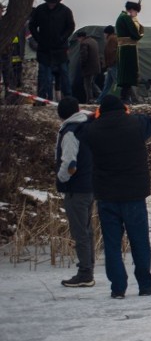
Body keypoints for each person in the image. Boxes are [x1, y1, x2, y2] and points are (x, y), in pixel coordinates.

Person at [78, 95, 151, 299]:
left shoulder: (94, 129)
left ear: (100, 111)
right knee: (140, 242)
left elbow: (81, 132)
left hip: (107, 196)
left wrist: (93, 118)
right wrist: (129, 113)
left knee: (112, 246)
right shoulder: (135, 124)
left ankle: (118, 288)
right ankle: (145, 284)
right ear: (124, 109)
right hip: (134, 194)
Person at [55, 97, 96, 288]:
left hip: (76, 188)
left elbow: (70, 163)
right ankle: (89, 268)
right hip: (90, 185)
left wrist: (61, 179)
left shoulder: (70, 132)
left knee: (80, 232)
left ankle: (85, 273)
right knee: (87, 231)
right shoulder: (87, 126)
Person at [29, 0, 75, 101]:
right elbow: (32, 26)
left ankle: (68, 98)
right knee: (45, 76)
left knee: (64, 74)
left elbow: (71, 26)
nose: (51, 4)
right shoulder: (40, 10)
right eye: (49, 2)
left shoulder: (65, 11)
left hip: (60, 48)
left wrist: (63, 37)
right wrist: (39, 39)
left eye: (53, 2)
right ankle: (42, 98)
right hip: (44, 49)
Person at [115, 0, 144, 103]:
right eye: (136, 12)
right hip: (128, 49)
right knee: (128, 74)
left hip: (124, 48)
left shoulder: (121, 17)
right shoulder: (126, 18)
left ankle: (126, 97)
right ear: (132, 10)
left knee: (125, 73)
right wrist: (136, 21)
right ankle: (125, 98)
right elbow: (136, 34)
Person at [76, 30, 101, 104]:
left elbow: (84, 56)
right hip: (96, 67)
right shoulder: (93, 41)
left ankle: (89, 100)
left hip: (89, 68)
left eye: (78, 38)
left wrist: (82, 65)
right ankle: (101, 96)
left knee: (87, 85)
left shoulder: (84, 43)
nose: (78, 40)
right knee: (92, 83)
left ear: (81, 37)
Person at [97, 25, 118, 104]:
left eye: (104, 33)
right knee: (108, 84)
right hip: (112, 65)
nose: (104, 35)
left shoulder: (111, 39)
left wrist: (109, 64)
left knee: (117, 83)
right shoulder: (114, 38)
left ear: (107, 33)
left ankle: (120, 99)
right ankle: (100, 100)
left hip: (113, 65)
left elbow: (110, 52)